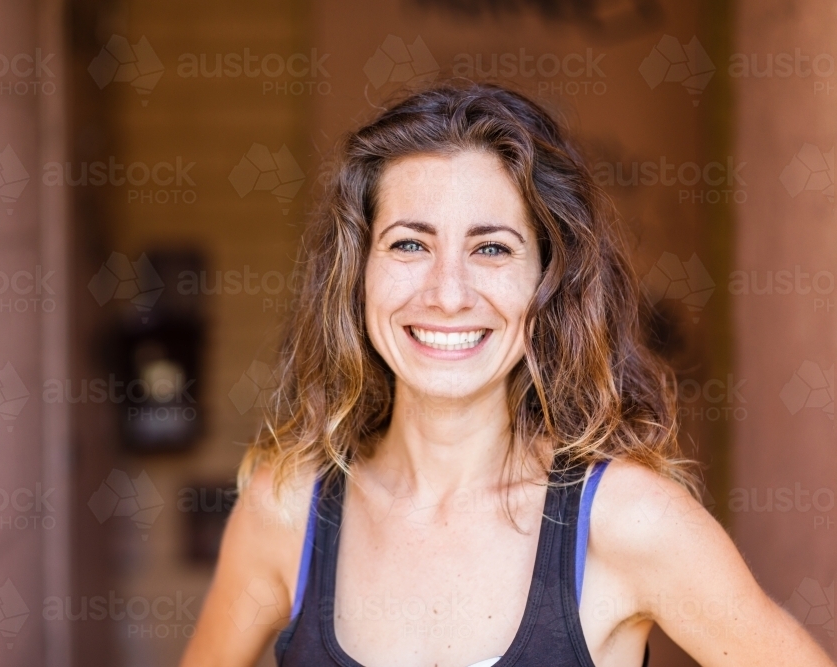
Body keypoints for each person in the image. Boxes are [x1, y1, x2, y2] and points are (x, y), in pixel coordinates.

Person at [181, 82, 835, 667]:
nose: (446, 292)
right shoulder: (287, 510)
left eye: (492, 248)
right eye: (410, 243)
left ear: (546, 282)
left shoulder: (629, 521)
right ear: (359, 272)